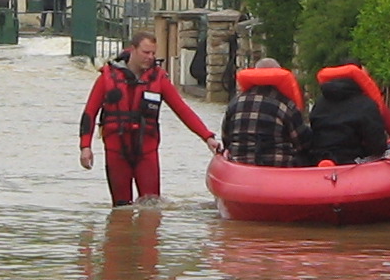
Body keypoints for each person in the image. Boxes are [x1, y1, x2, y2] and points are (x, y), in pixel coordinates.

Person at [79, 30, 221, 206]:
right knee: (121, 209)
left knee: (151, 206)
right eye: (146, 52)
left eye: (153, 53)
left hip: (146, 151)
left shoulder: (158, 79)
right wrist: (85, 147)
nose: (150, 57)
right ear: (133, 50)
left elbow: (183, 110)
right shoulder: (108, 77)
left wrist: (207, 136)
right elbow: (89, 114)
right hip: (116, 151)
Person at [222, 57, 308, 167]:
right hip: (277, 168)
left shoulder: (235, 103)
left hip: (239, 168)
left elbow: (226, 139)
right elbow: (302, 142)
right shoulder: (286, 105)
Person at [307, 69, 389, 164]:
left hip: (318, 160)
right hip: (351, 163)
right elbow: (377, 146)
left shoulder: (319, 103)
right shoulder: (366, 105)